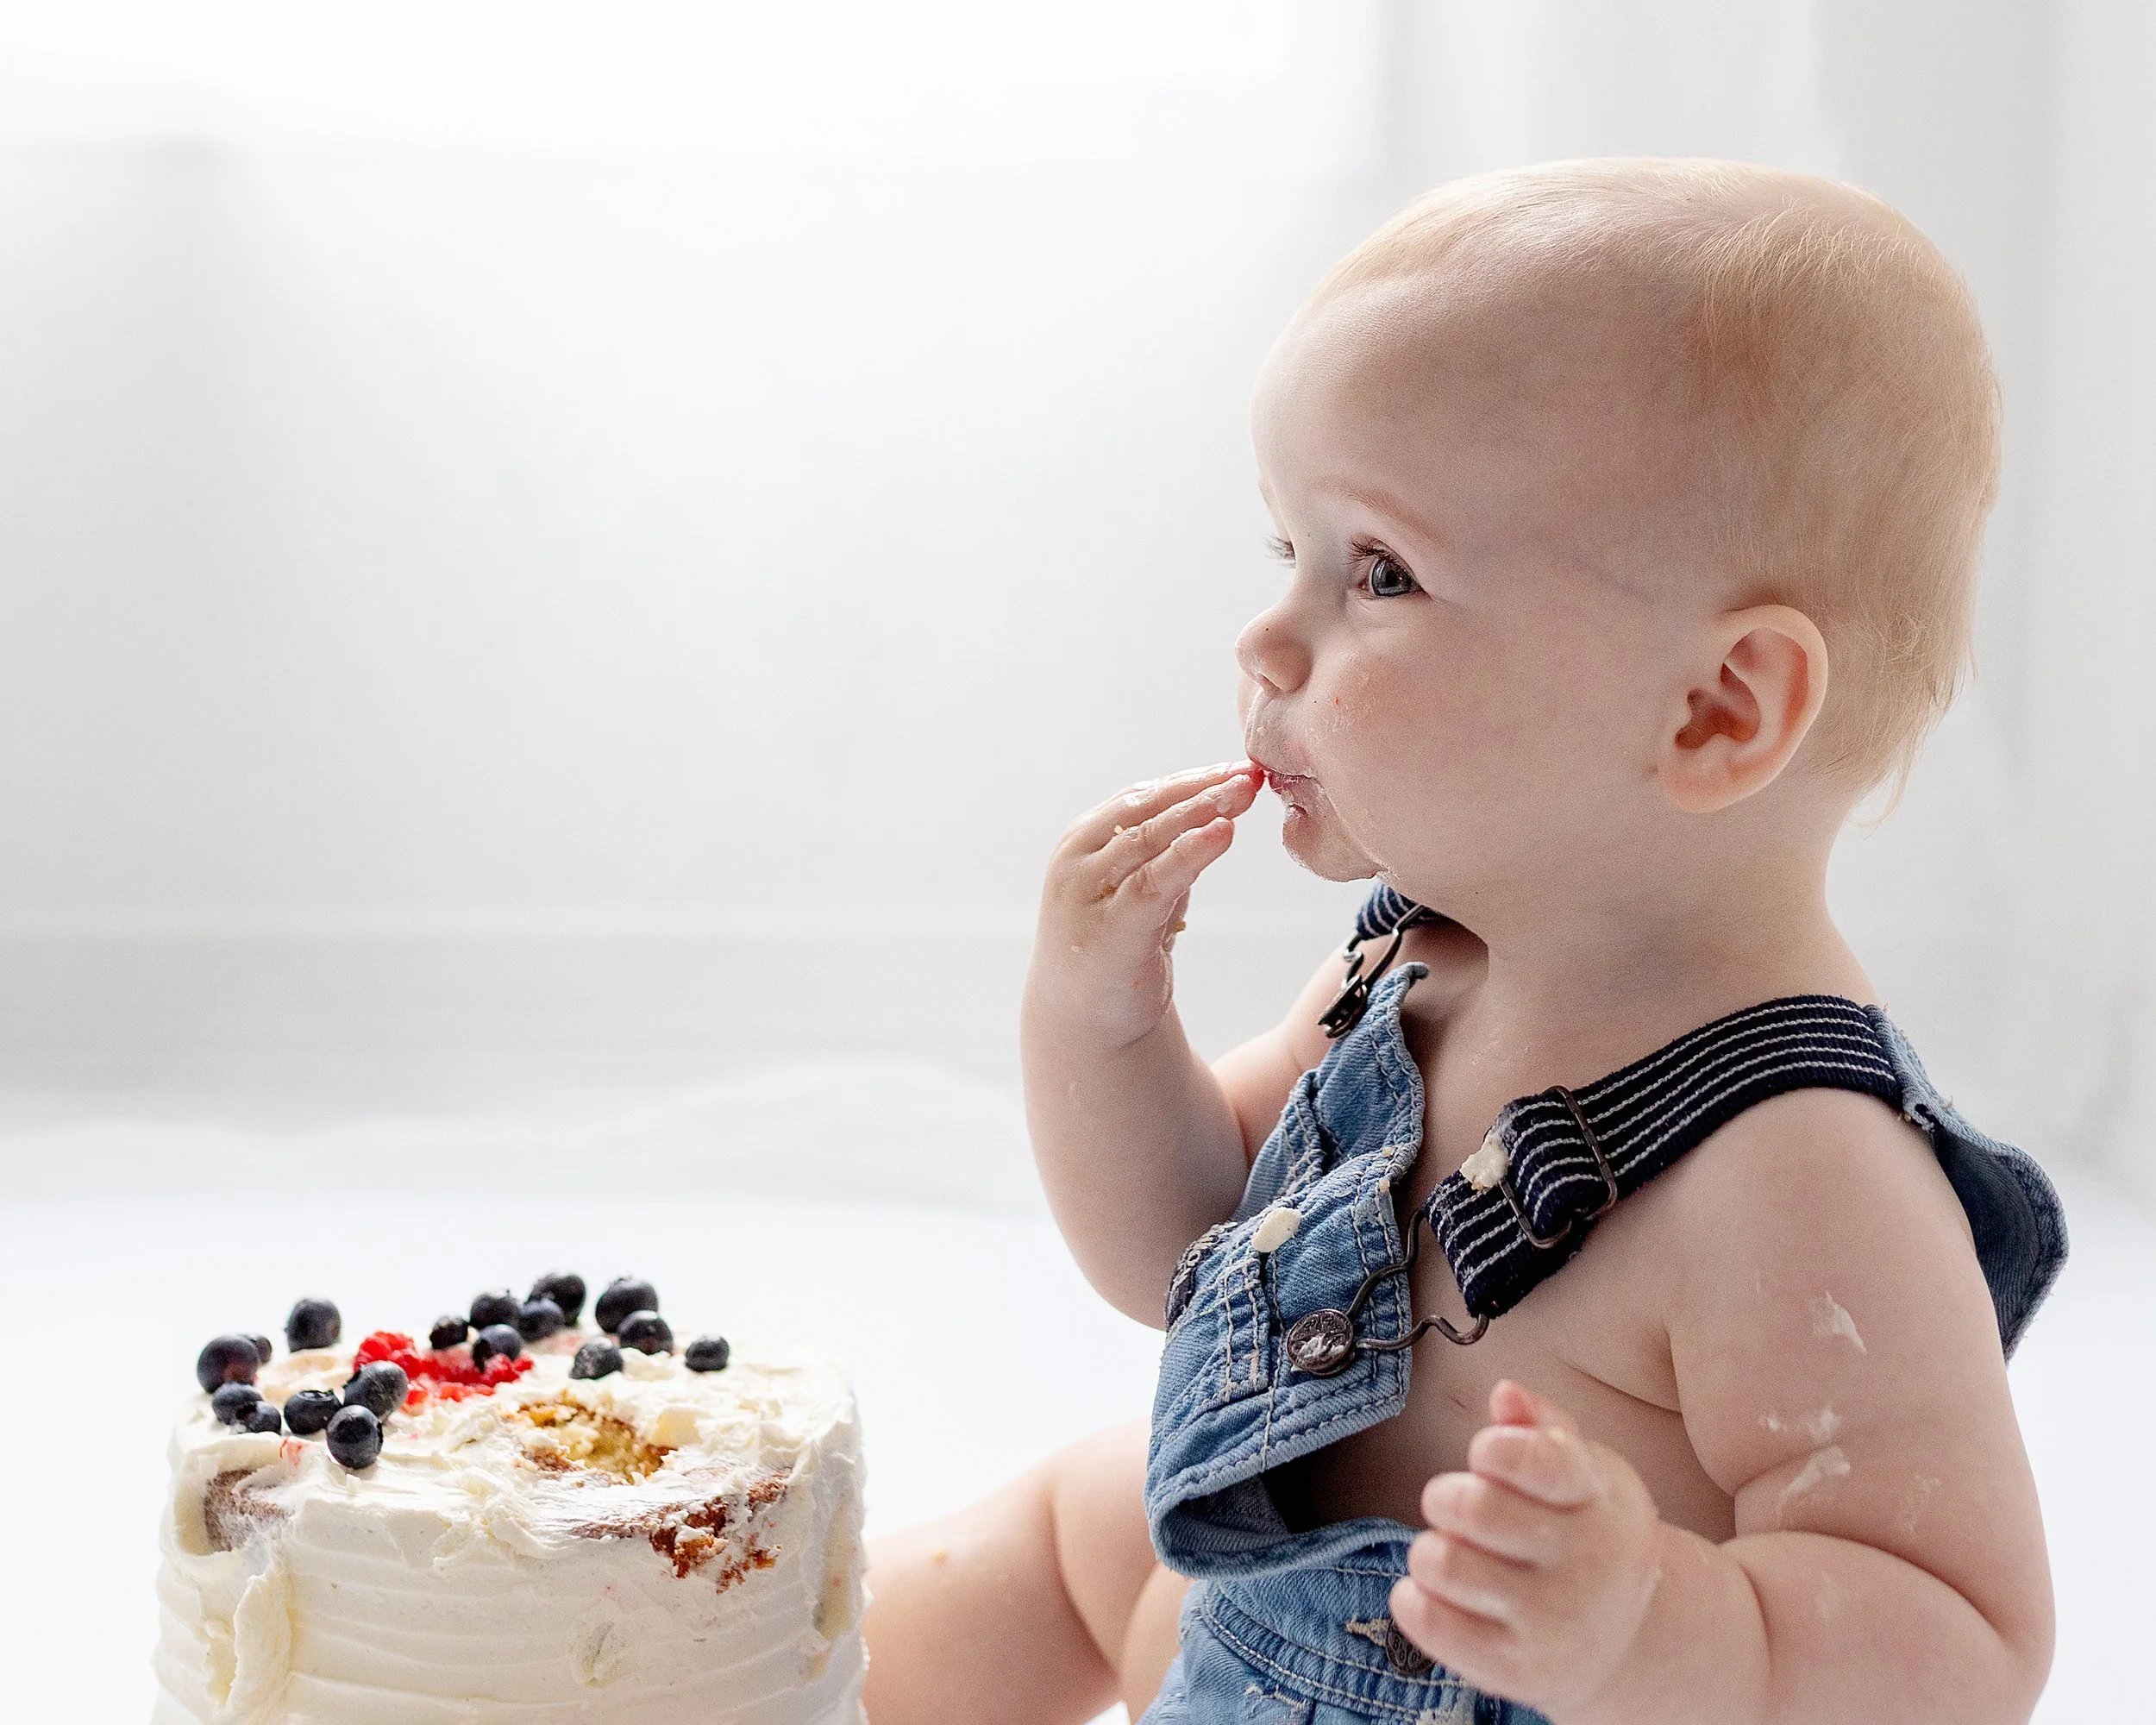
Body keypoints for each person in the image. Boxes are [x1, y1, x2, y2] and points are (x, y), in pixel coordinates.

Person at [862, 159, 2065, 1725]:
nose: (1268, 637)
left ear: (1716, 710)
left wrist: (1654, 1621)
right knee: (1077, 1525)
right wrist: (1096, 1023)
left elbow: (1961, 1642)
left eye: (1378, 571)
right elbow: (1177, 1246)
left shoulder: (1796, 1174)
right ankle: (776, 1675)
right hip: (1269, 1633)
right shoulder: (1412, 976)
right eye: (1282, 552)